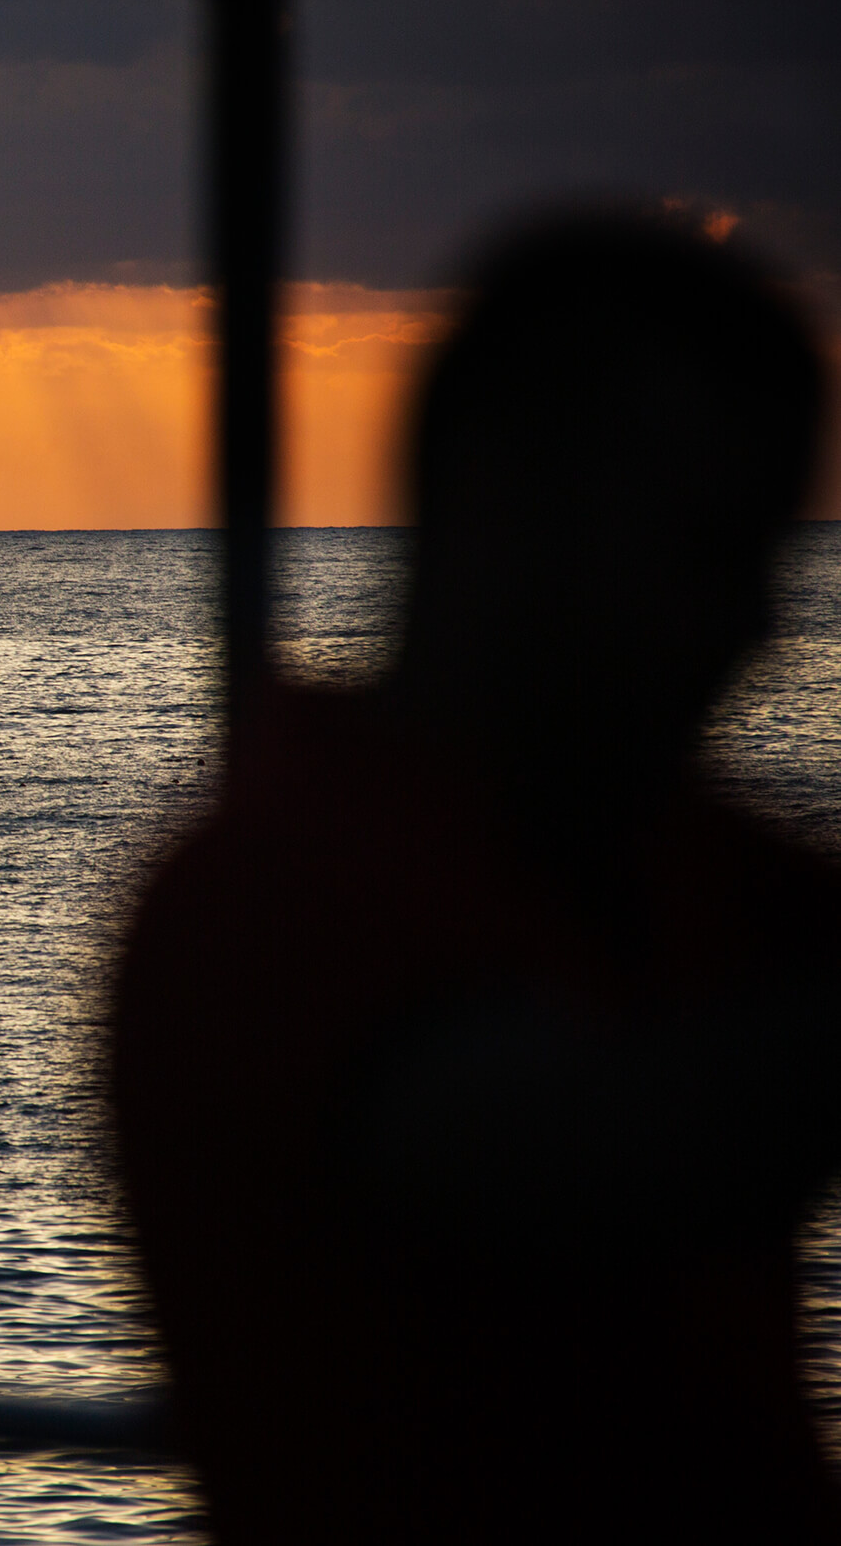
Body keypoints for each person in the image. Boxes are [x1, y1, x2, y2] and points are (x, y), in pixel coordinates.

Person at [111, 213, 837, 1543]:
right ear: (507, 507)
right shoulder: (278, 898)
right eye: (705, 546)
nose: (757, 622)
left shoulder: (671, 851)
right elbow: (597, 1157)